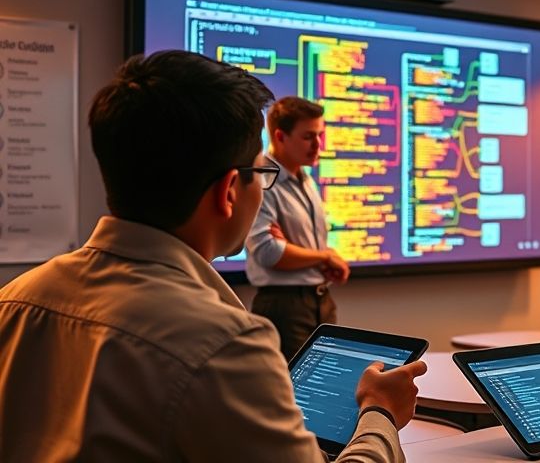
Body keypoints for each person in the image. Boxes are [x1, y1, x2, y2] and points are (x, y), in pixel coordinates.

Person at [0, 51, 425, 462]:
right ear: (227, 192)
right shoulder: (223, 345)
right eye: (261, 173)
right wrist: (379, 413)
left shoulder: (15, 301)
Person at [245, 96, 350, 360]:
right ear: (280, 137)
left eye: (320, 135)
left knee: (324, 388)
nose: (318, 145)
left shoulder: (306, 180)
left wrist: (312, 257)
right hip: (284, 307)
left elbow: (292, 247)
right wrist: (324, 256)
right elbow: (270, 253)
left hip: (320, 301)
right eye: (308, 137)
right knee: (294, 396)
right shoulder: (263, 181)